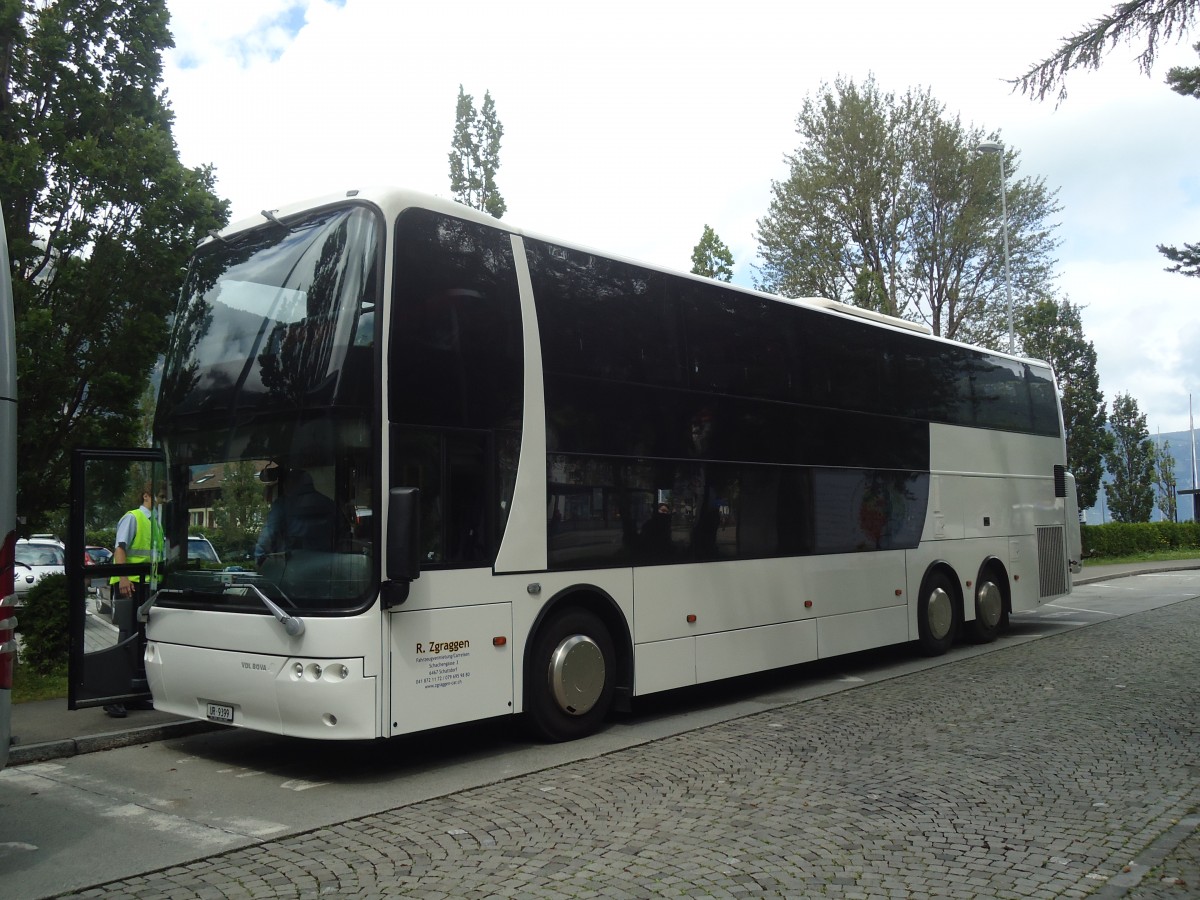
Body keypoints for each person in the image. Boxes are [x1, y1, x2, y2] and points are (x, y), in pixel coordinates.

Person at [105, 482, 162, 718]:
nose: (164, 501)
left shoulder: (156, 522)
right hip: (131, 584)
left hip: (147, 586)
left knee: (140, 641)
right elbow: (120, 549)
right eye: (161, 496)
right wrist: (123, 578)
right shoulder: (133, 517)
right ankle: (113, 696)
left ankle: (133, 694)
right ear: (146, 495)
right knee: (127, 638)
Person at [253, 467, 338, 567]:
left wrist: (259, 558)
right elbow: (343, 533)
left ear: (290, 485)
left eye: (286, 484)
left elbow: (269, 533)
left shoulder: (283, 504)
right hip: (327, 566)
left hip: (294, 567)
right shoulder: (329, 504)